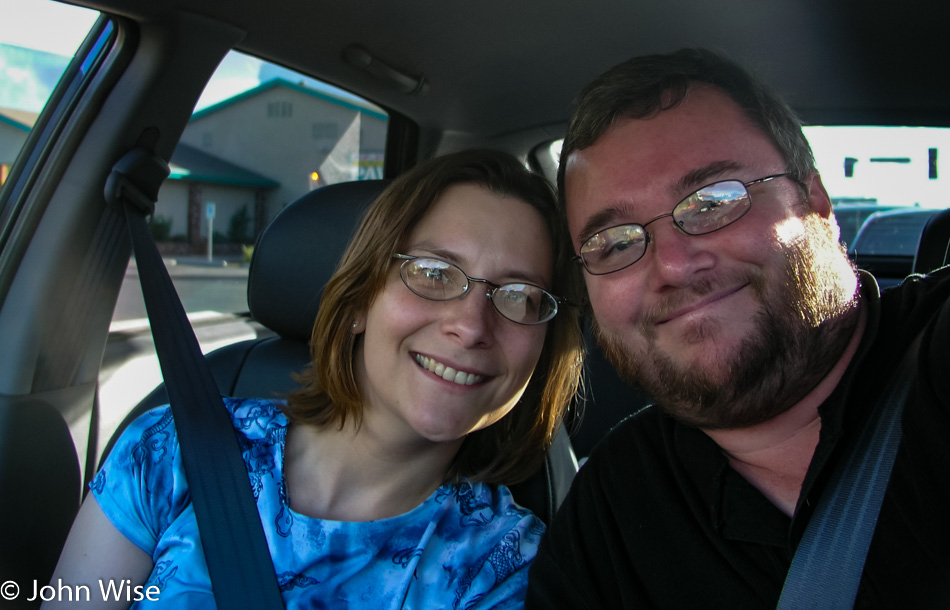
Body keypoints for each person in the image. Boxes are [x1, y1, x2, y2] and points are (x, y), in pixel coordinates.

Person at [48, 149, 583, 608]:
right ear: (358, 303)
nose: (470, 326)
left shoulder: (506, 570)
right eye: (433, 274)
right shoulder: (171, 452)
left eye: (519, 296)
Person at [527, 48, 950, 608]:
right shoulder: (607, 513)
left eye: (714, 200)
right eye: (615, 242)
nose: (674, 265)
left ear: (814, 199)